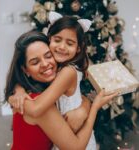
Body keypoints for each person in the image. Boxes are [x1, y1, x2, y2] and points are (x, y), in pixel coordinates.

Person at [7, 15, 118, 150]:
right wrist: (92, 107)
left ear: (78, 48)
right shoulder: (31, 102)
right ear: (25, 70)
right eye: (35, 62)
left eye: (48, 56)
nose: (45, 64)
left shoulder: (62, 73)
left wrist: (85, 106)